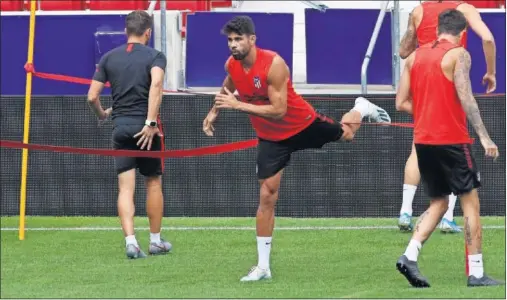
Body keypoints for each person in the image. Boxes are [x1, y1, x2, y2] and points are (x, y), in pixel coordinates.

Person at [202, 15, 392, 282]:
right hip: (271, 138)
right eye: (230, 40)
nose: (233, 45)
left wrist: (238, 106)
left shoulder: (274, 64)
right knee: (267, 195)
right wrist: (214, 111)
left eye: (238, 39)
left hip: (302, 123)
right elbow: (227, 86)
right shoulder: (232, 65)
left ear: (252, 39)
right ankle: (263, 267)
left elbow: (279, 110)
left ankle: (361, 107)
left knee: (347, 134)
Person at [395, 9, 502, 287]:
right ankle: (476, 272)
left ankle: (409, 255)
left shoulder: (415, 56)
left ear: (436, 28)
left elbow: (400, 103)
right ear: (462, 32)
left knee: (439, 202)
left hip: (424, 140)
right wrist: (484, 136)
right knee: (470, 204)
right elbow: (466, 98)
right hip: (452, 140)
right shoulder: (459, 55)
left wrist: (430, 112)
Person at [87, 10, 172, 259]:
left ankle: (131, 243)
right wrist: (151, 122)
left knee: (126, 188)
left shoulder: (108, 58)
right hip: (146, 129)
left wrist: (103, 114)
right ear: (149, 32)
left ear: (126, 32)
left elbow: (92, 96)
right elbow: (156, 85)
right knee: (153, 182)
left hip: (121, 127)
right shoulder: (155, 56)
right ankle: (155, 242)